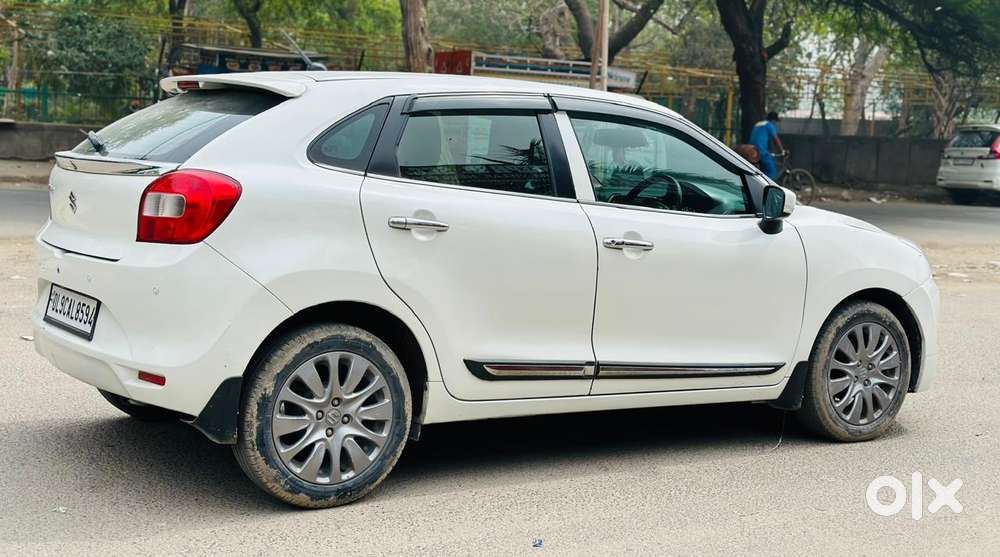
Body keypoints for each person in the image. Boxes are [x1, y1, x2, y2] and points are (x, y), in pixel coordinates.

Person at [749, 111, 785, 180]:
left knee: (763, 172)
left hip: (751, 150)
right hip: (760, 151)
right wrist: (782, 151)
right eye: (776, 121)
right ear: (773, 120)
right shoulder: (769, 125)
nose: (775, 123)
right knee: (772, 172)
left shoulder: (758, 124)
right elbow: (776, 140)